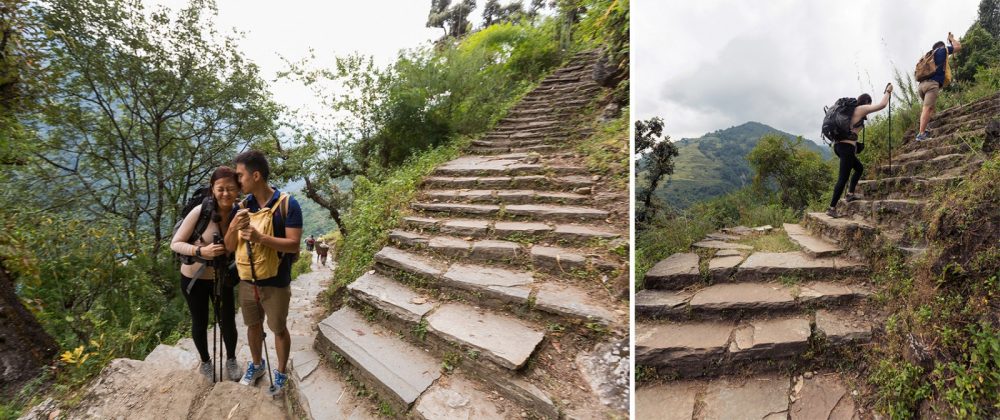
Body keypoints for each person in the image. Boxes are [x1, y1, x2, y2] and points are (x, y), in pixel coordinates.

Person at [225, 151, 302, 395]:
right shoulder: (241, 207)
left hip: (276, 281)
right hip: (247, 279)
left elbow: (293, 245)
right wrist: (234, 226)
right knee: (253, 325)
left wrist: (260, 238)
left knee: (278, 328)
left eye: (240, 175)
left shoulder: (288, 204)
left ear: (256, 175)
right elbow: (229, 246)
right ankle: (257, 366)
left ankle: (280, 373)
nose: (238, 181)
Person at [170, 166, 241, 381]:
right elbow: (175, 244)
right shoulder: (201, 211)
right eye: (220, 189)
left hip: (222, 278)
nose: (225, 193)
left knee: (227, 321)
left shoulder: (240, 213)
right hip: (193, 279)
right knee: (199, 322)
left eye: (230, 188)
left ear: (238, 189)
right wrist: (201, 251)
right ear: (212, 189)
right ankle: (206, 362)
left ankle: (231, 359)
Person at [826, 84, 893, 218]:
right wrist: (888, 92)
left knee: (859, 168)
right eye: (869, 103)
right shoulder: (861, 109)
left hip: (840, 147)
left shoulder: (850, 111)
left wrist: (856, 145)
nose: (869, 106)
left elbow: (851, 132)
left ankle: (850, 194)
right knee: (842, 178)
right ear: (867, 102)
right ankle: (832, 207)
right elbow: (882, 105)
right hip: (846, 148)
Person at [916, 32, 961, 142]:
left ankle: (925, 128)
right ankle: (921, 134)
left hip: (921, 86)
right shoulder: (942, 50)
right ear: (942, 46)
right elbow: (958, 47)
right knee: (927, 108)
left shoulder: (928, 55)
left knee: (930, 108)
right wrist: (952, 39)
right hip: (932, 85)